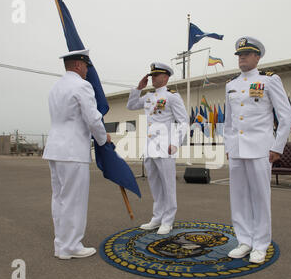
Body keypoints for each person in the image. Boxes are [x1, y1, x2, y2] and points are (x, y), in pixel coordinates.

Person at [224, 37, 291, 263]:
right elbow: (229, 122)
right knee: (239, 197)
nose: (242, 57)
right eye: (239, 54)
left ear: (257, 57)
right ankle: (244, 240)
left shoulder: (270, 80)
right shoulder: (231, 85)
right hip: (237, 149)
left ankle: (261, 244)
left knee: (260, 198)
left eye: (247, 53)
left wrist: (278, 147)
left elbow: (286, 116)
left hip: (261, 148)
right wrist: (228, 145)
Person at [43, 49, 111, 259]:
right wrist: (103, 138)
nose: (87, 71)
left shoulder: (56, 87)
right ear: (78, 65)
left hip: (55, 149)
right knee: (75, 200)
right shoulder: (82, 85)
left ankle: (61, 244)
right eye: (86, 67)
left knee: (60, 198)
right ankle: (71, 246)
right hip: (73, 151)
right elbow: (92, 118)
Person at [127, 62, 189, 235]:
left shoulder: (172, 96)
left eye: (156, 75)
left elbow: (183, 122)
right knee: (155, 184)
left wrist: (175, 143)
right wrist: (138, 89)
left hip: (165, 147)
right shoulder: (148, 96)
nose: (152, 78)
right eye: (151, 75)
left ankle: (168, 220)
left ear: (165, 77)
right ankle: (157, 217)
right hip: (150, 147)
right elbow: (131, 106)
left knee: (168, 185)